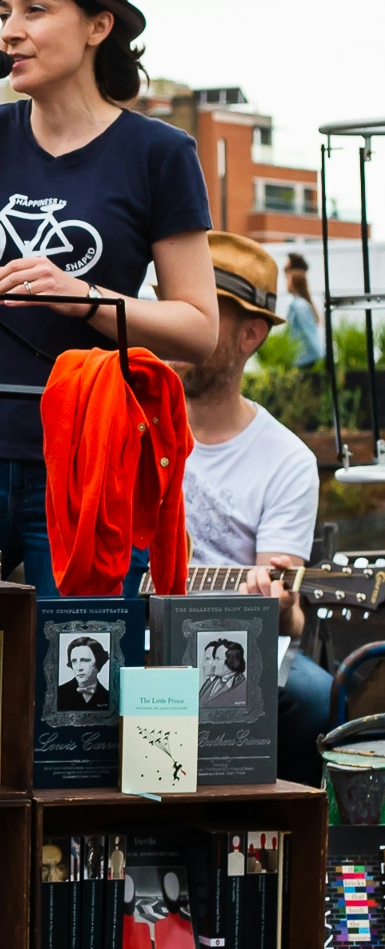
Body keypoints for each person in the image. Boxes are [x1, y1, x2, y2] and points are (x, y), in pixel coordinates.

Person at [0, 0, 218, 594]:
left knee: (79, 656)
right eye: (4, 13)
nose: (10, 31)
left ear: (99, 27)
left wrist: (85, 297)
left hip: (87, 460)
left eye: (35, 9)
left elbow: (198, 328)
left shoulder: (159, 154)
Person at [171, 230, 332, 784]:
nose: (177, 327)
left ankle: (273, 829)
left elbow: (288, 612)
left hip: (225, 645)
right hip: (130, 632)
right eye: (173, 307)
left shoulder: (286, 459)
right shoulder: (128, 426)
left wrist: (279, 606)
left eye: (200, 313)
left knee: (314, 698)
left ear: (250, 335)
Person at [285, 252, 325, 369]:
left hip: (303, 360)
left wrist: (320, 355)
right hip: (299, 359)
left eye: (288, 277)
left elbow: (309, 332)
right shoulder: (297, 304)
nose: (286, 281)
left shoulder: (299, 306)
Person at [56, 635, 110, 710]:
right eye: (74, 661)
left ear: (98, 662)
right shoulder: (58, 694)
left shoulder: (109, 697)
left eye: (85, 660)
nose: (79, 668)